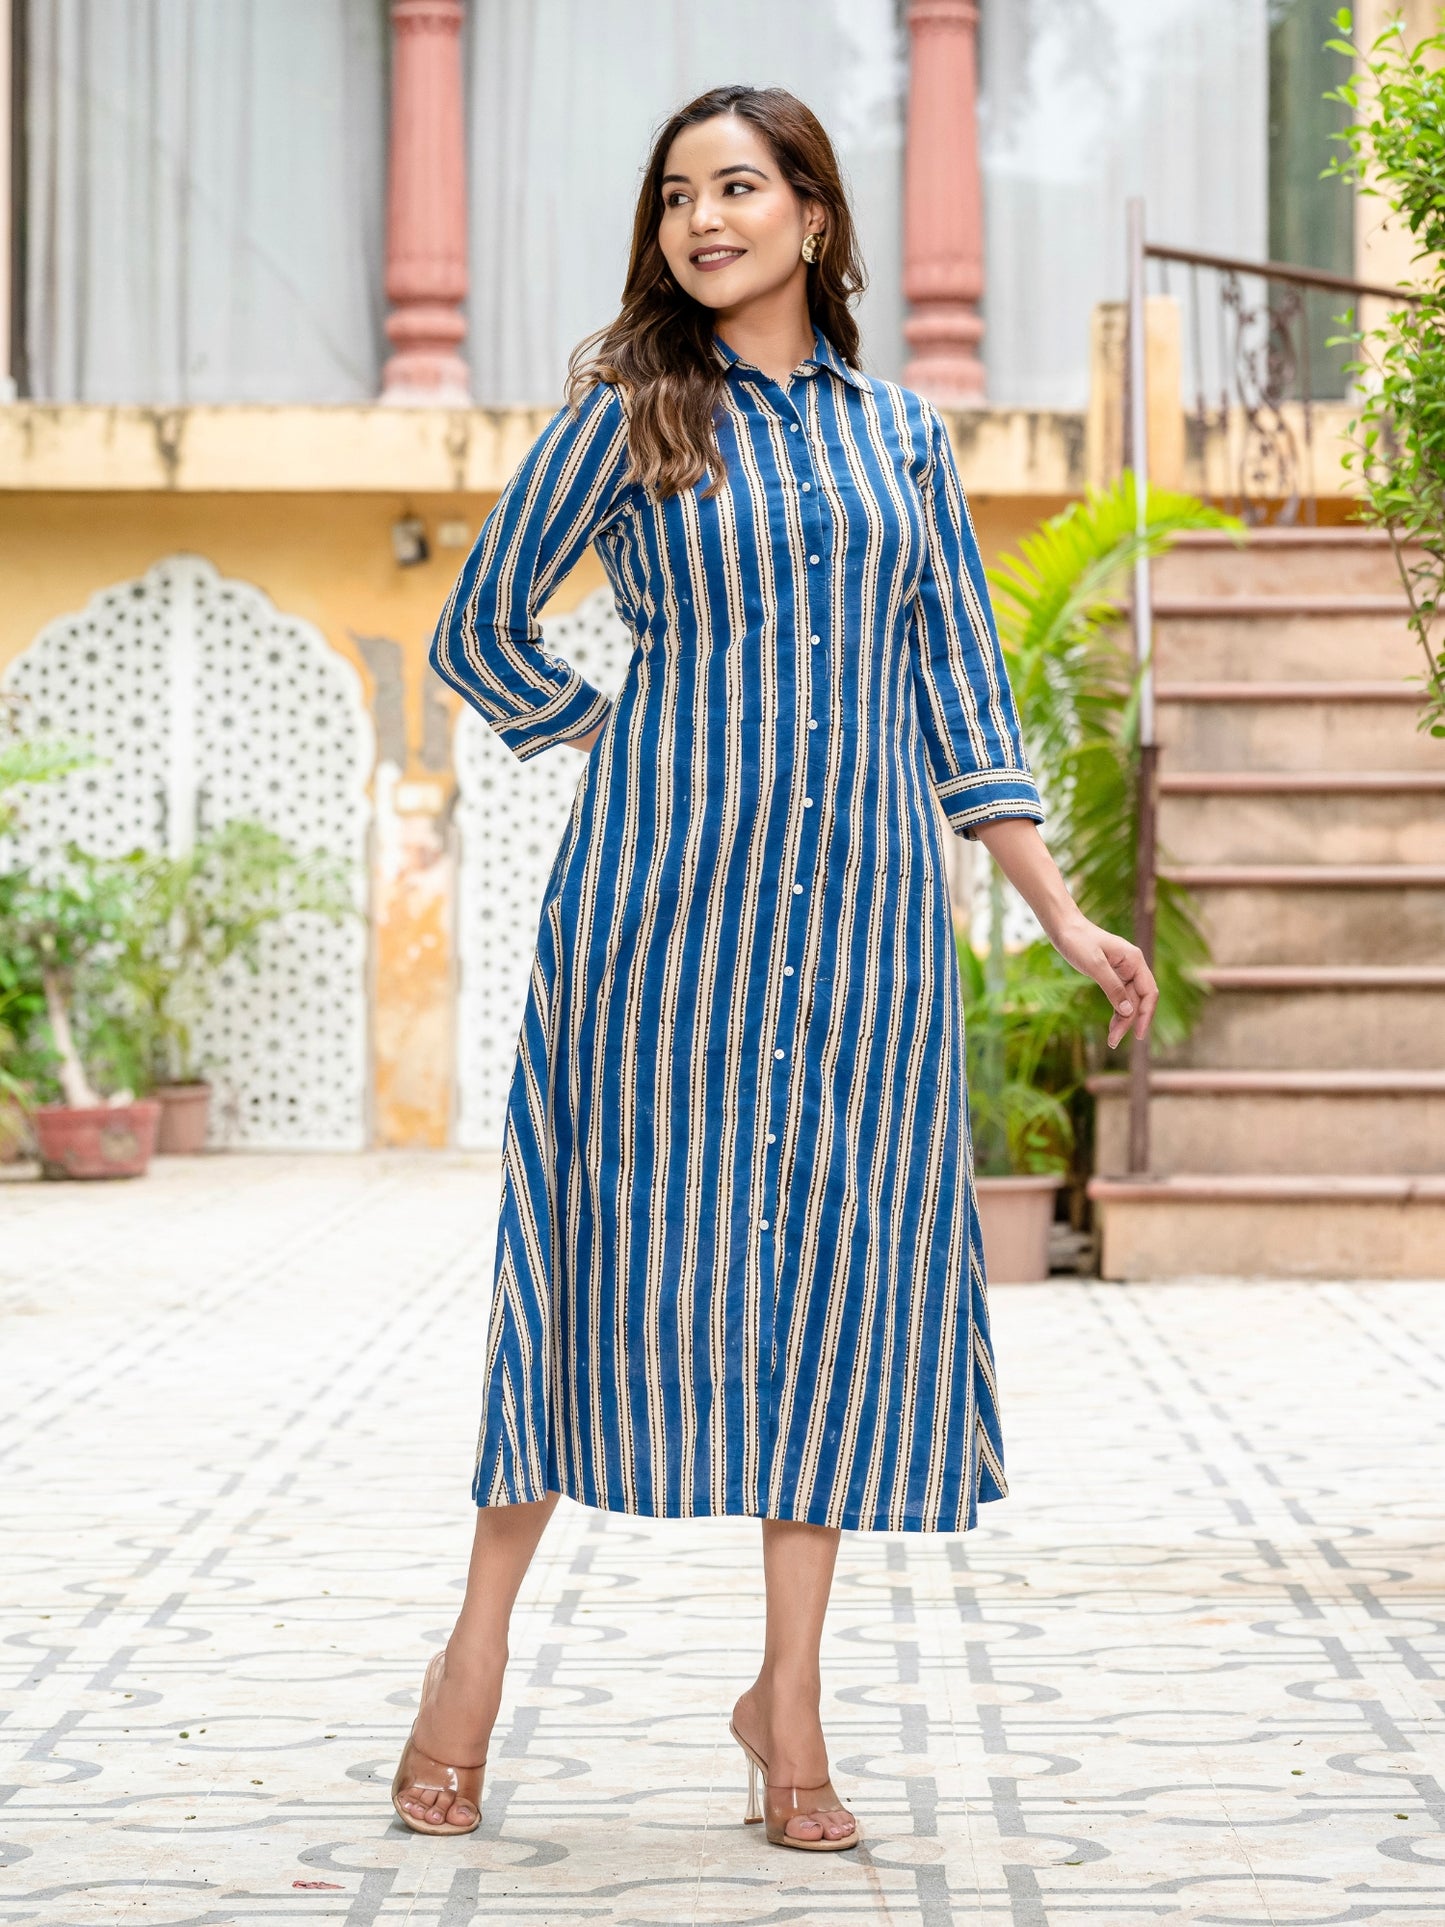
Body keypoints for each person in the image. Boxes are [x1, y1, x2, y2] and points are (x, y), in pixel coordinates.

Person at [395, 83, 1156, 1851]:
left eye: (737, 188)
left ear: (813, 215)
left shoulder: (899, 437)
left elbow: (961, 695)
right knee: (589, 1259)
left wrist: (1057, 908)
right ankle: (474, 1653)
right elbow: (477, 626)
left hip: (868, 940)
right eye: (676, 197)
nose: (702, 221)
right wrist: (619, 731)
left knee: (828, 1280)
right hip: (655, 930)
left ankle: (786, 1699)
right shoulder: (630, 416)